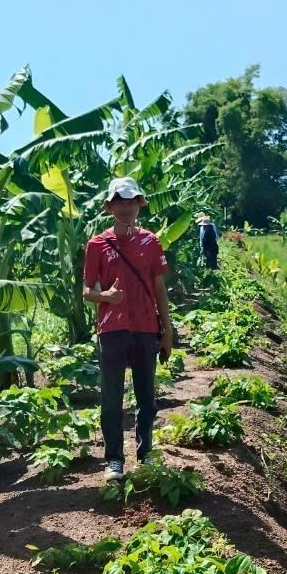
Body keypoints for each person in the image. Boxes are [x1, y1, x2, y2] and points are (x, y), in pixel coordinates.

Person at [82, 177, 175, 481]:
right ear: (109, 207)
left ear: (139, 204)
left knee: (146, 396)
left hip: (146, 327)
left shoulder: (150, 241)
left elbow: (159, 286)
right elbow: (86, 290)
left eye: (131, 201)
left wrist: (168, 330)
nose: (126, 208)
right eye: (119, 202)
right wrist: (105, 296)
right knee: (111, 398)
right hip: (112, 330)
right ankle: (113, 461)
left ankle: (145, 453)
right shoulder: (97, 244)